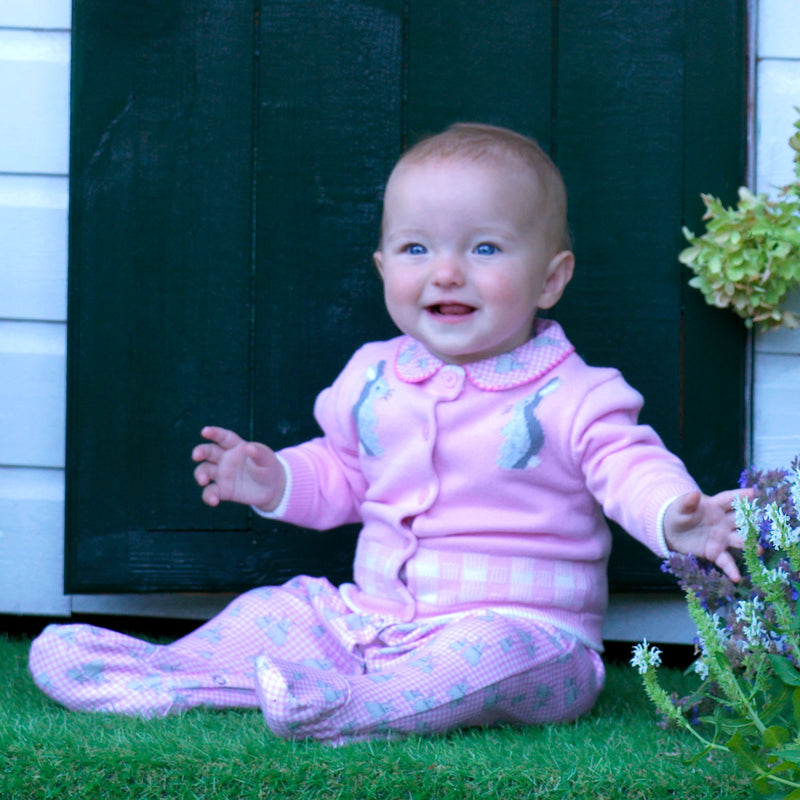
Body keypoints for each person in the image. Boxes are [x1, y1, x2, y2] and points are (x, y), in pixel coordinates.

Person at [29, 123, 747, 745]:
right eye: (414, 249)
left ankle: (355, 708)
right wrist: (275, 480)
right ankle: (166, 677)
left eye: (487, 249)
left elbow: (628, 466)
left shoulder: (575, 394)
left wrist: (674, 516)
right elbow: (345, 474)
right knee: (278, 608)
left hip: (529, 637)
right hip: (371, 625)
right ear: (382, 269)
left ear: (550, 279)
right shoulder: (375, 376)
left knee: (486, 657)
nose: (446, 272)